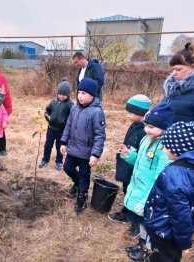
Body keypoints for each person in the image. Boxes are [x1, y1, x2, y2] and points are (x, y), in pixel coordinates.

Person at [144, 121, 194, 262]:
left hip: (165, 233)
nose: (163, 149)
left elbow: (180, 214)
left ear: (176, 149)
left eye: (165, 145)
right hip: (172, 233)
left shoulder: (174, 175)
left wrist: (184, 242)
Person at [119, 102, 174, 261]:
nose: (147, 130)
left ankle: (148, 251)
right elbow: (139, 163)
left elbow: (160, 178)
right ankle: (142, 245)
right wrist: (128, 155)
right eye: (146, 125)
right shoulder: (146, 140)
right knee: (142, 223)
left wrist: (147, 201)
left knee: (149, 226)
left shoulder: (164, 149)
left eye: (152, 127)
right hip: (139, 188)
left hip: (149, 195)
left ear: (165, 128)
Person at [60, 78, 106, 214]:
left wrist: (95, 154)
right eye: (79, 92)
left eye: (84, 93)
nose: (80, 96)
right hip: (73, 149)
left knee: (85, 175)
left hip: (86, 153)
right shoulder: (74, 108)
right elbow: (68, 126)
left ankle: (82, 198)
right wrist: (63, 142)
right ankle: (78, 183)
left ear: (92, 95)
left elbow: (99, 135)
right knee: (67, 168)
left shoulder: (97, 112)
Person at [108, 94, 151, 238]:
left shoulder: (146, 131)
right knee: (128, 189)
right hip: (127, 163)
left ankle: (136, 222)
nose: (128, 115)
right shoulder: (134, 125)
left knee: (136, 193)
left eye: (131, 113)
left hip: (135, 169)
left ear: (140, 113)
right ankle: (126, 213)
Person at [164, 41, 194, 157]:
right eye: (172, 69)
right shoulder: (173, 88)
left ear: (193, 67)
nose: (173, 73)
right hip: (166, 150)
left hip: (186, 157)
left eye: (178, 69)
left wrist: (189, 156)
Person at [39, 78, 74, 171]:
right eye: (60, 94)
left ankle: (59, 162)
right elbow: (47, 110)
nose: (61, 96)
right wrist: (47, 117)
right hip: (51, 129)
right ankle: (45, 160)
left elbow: (72, 117)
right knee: (48, 145)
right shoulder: (53, 101)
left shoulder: (70, 105)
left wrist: (66, 123)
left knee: (60, 147)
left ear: (68, 95)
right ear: (57, 93)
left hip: (62, 131)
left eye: (64, 95)